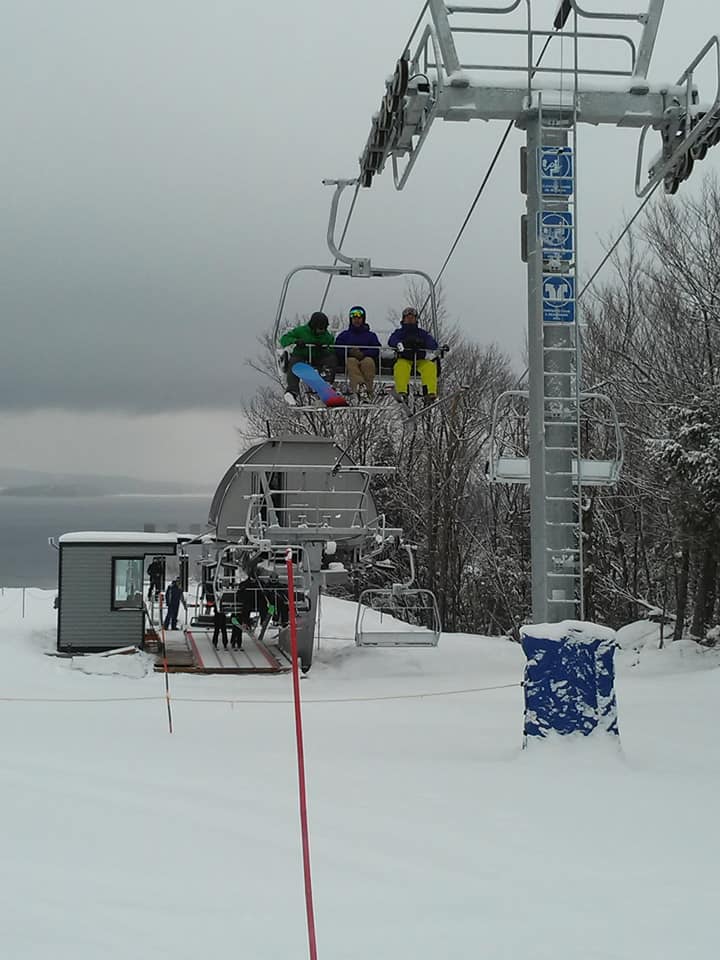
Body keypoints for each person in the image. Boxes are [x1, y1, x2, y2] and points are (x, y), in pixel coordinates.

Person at [279, 311, 337, 405]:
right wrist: (296, 341)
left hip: (319, 357)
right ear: (313, 326)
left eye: (323, 328)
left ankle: (326, 385)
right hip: (302, 355)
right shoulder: (301, 331)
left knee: (331, 359)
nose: (321, 331)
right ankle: (292, 391)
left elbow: (332, 348)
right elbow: (284, 339)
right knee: (295, 364)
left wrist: (324, 348)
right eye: (319, 328)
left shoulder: (327, 336)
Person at [387, 306, 439, 404]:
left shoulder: (421, 333)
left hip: (420, 359)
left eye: (412, 317)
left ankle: (429, 393)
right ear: (403, 319)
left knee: (430, 367)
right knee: (400, 367)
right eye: (407, 317)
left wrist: (422, 342)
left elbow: (433, 344)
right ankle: (402, 392)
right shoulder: (400, 332)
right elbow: (392, 340)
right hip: (405, 358)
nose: (410, 319)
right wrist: (400, 344)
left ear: (416, 319)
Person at [334, 306, 381, 401]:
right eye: (354, 318)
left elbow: (376, 349)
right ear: (351, 319)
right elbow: (337, 348)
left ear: (363, 319)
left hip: (365, 358)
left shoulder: (370, 336)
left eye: (359, 318)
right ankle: (360, 388)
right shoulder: (344, 335)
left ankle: (368, 390)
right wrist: (350, 352)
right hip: (351, 358)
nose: (357, 320)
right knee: (351, 362)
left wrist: (363, 353)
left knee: (368, 363)